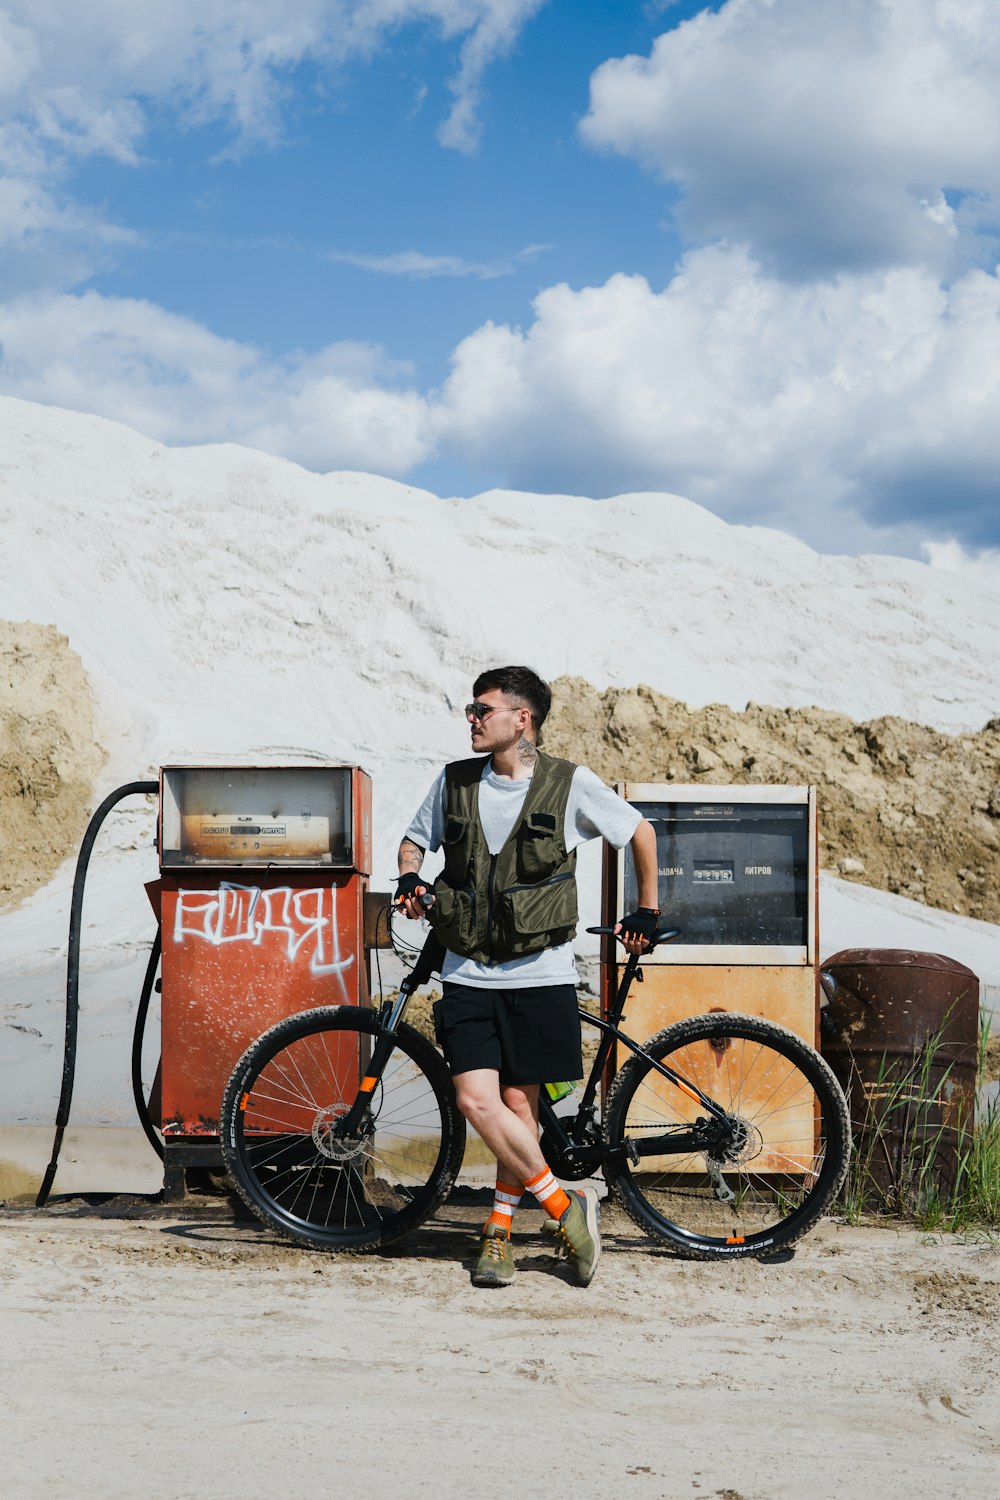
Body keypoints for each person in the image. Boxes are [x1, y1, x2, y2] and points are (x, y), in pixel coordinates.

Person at [395, 665, 660, 1288]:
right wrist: (409, 876)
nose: (471, 718)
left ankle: (498, 1233)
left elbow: (639, 831)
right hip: (466, 973)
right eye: (470, 709)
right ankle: (567, 1209)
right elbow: (413, 841)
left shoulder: (571, 784)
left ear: (523, 719)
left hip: (540, 975)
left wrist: (647, 908)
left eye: (482, 709)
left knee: (518, 1104)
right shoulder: (454, 782)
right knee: (475, 1100)